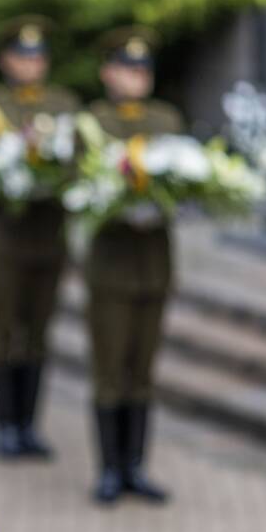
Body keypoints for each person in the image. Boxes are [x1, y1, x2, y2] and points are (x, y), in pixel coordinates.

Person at [0, 18, 80, 459]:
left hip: (48, 236)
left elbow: (79, 162)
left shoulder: (63, 104)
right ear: (5, 61)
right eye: (22, 57)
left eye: (37, 57)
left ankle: (29, 425)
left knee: (38, 331)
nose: (30, 65)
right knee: (5, 329)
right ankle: (4, 425)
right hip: (5, 237)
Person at [86, 27, 182, 504]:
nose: (136, 77)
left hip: (154, 263)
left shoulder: (166, 118)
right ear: (108, 73)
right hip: (112, 265)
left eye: (143, 69)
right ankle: (108, 469)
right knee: (110, 368)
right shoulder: (94, 122)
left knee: (142, 368)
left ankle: (135, 466)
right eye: (127, 68)